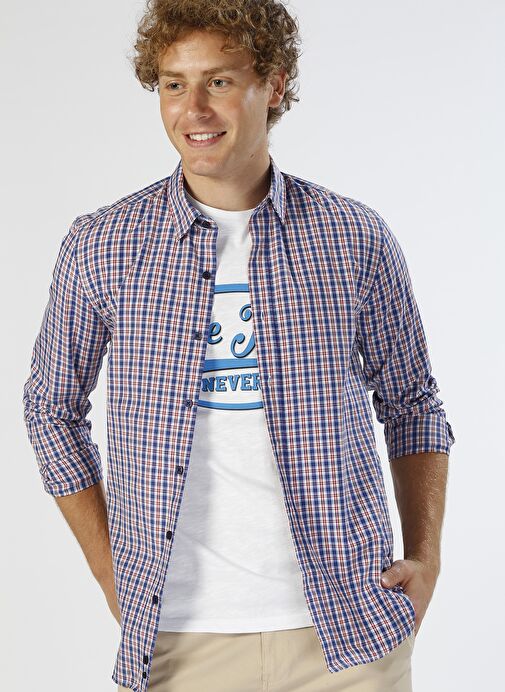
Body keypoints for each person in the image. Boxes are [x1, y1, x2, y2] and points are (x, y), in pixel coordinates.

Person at [22, 1, 456, 690]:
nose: (192, 109)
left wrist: (425, 558)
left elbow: (412, 403)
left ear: (273, 85)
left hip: (348, 636)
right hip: (179, 642)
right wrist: (110, 571)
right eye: (173, 84)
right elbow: (50, 409)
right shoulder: (102, 246)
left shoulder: (353, 238)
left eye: (219, 81)